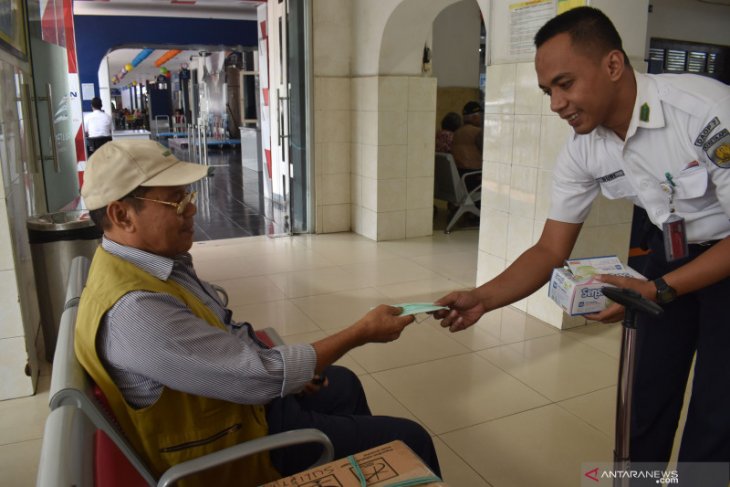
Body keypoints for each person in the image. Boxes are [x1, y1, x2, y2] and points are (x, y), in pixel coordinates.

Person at [435, 6, 730, 485]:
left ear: (613, 65)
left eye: (565, 84)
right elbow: (550, 250)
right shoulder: (583, 149)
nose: (556, 104)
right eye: (548, 91)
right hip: (672, 250)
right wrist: (482, 299)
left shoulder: (702, 112)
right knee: (644, 394)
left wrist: (660, 289)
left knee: (717, 413)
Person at [75, 140, 439, 486]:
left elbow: (226, 334)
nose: (192, 209)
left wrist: (293, 370)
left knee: (342, 383)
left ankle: (361, 470)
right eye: (176, 201)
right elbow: (258, 378)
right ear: (122, 215)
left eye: (189, 196)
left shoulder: (156, 264)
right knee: (409, 440)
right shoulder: (136, 310)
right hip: (233, 447)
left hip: (235, 408)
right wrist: (360, 332)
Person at [451, 101, 484, 192]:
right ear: (475, 117)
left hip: (460, 176)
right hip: (474, 178)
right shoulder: (477, 132)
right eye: (481, 116)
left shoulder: (456, 133)